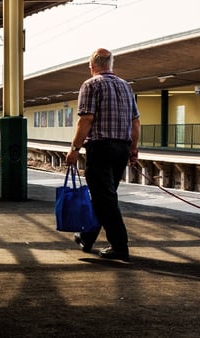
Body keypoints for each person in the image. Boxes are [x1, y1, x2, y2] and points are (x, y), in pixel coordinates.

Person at [65, 48, 140, 262]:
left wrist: (74, 149)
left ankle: (120, 246)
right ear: (111, 65)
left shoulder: (90, 85)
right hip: (121, 149)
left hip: (100, 148)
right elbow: (135, 123)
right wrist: (133, 150)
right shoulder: (126, 86)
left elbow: (86, 120)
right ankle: (86, 238)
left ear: (91, 66)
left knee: (104, 198)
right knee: (104, 197)